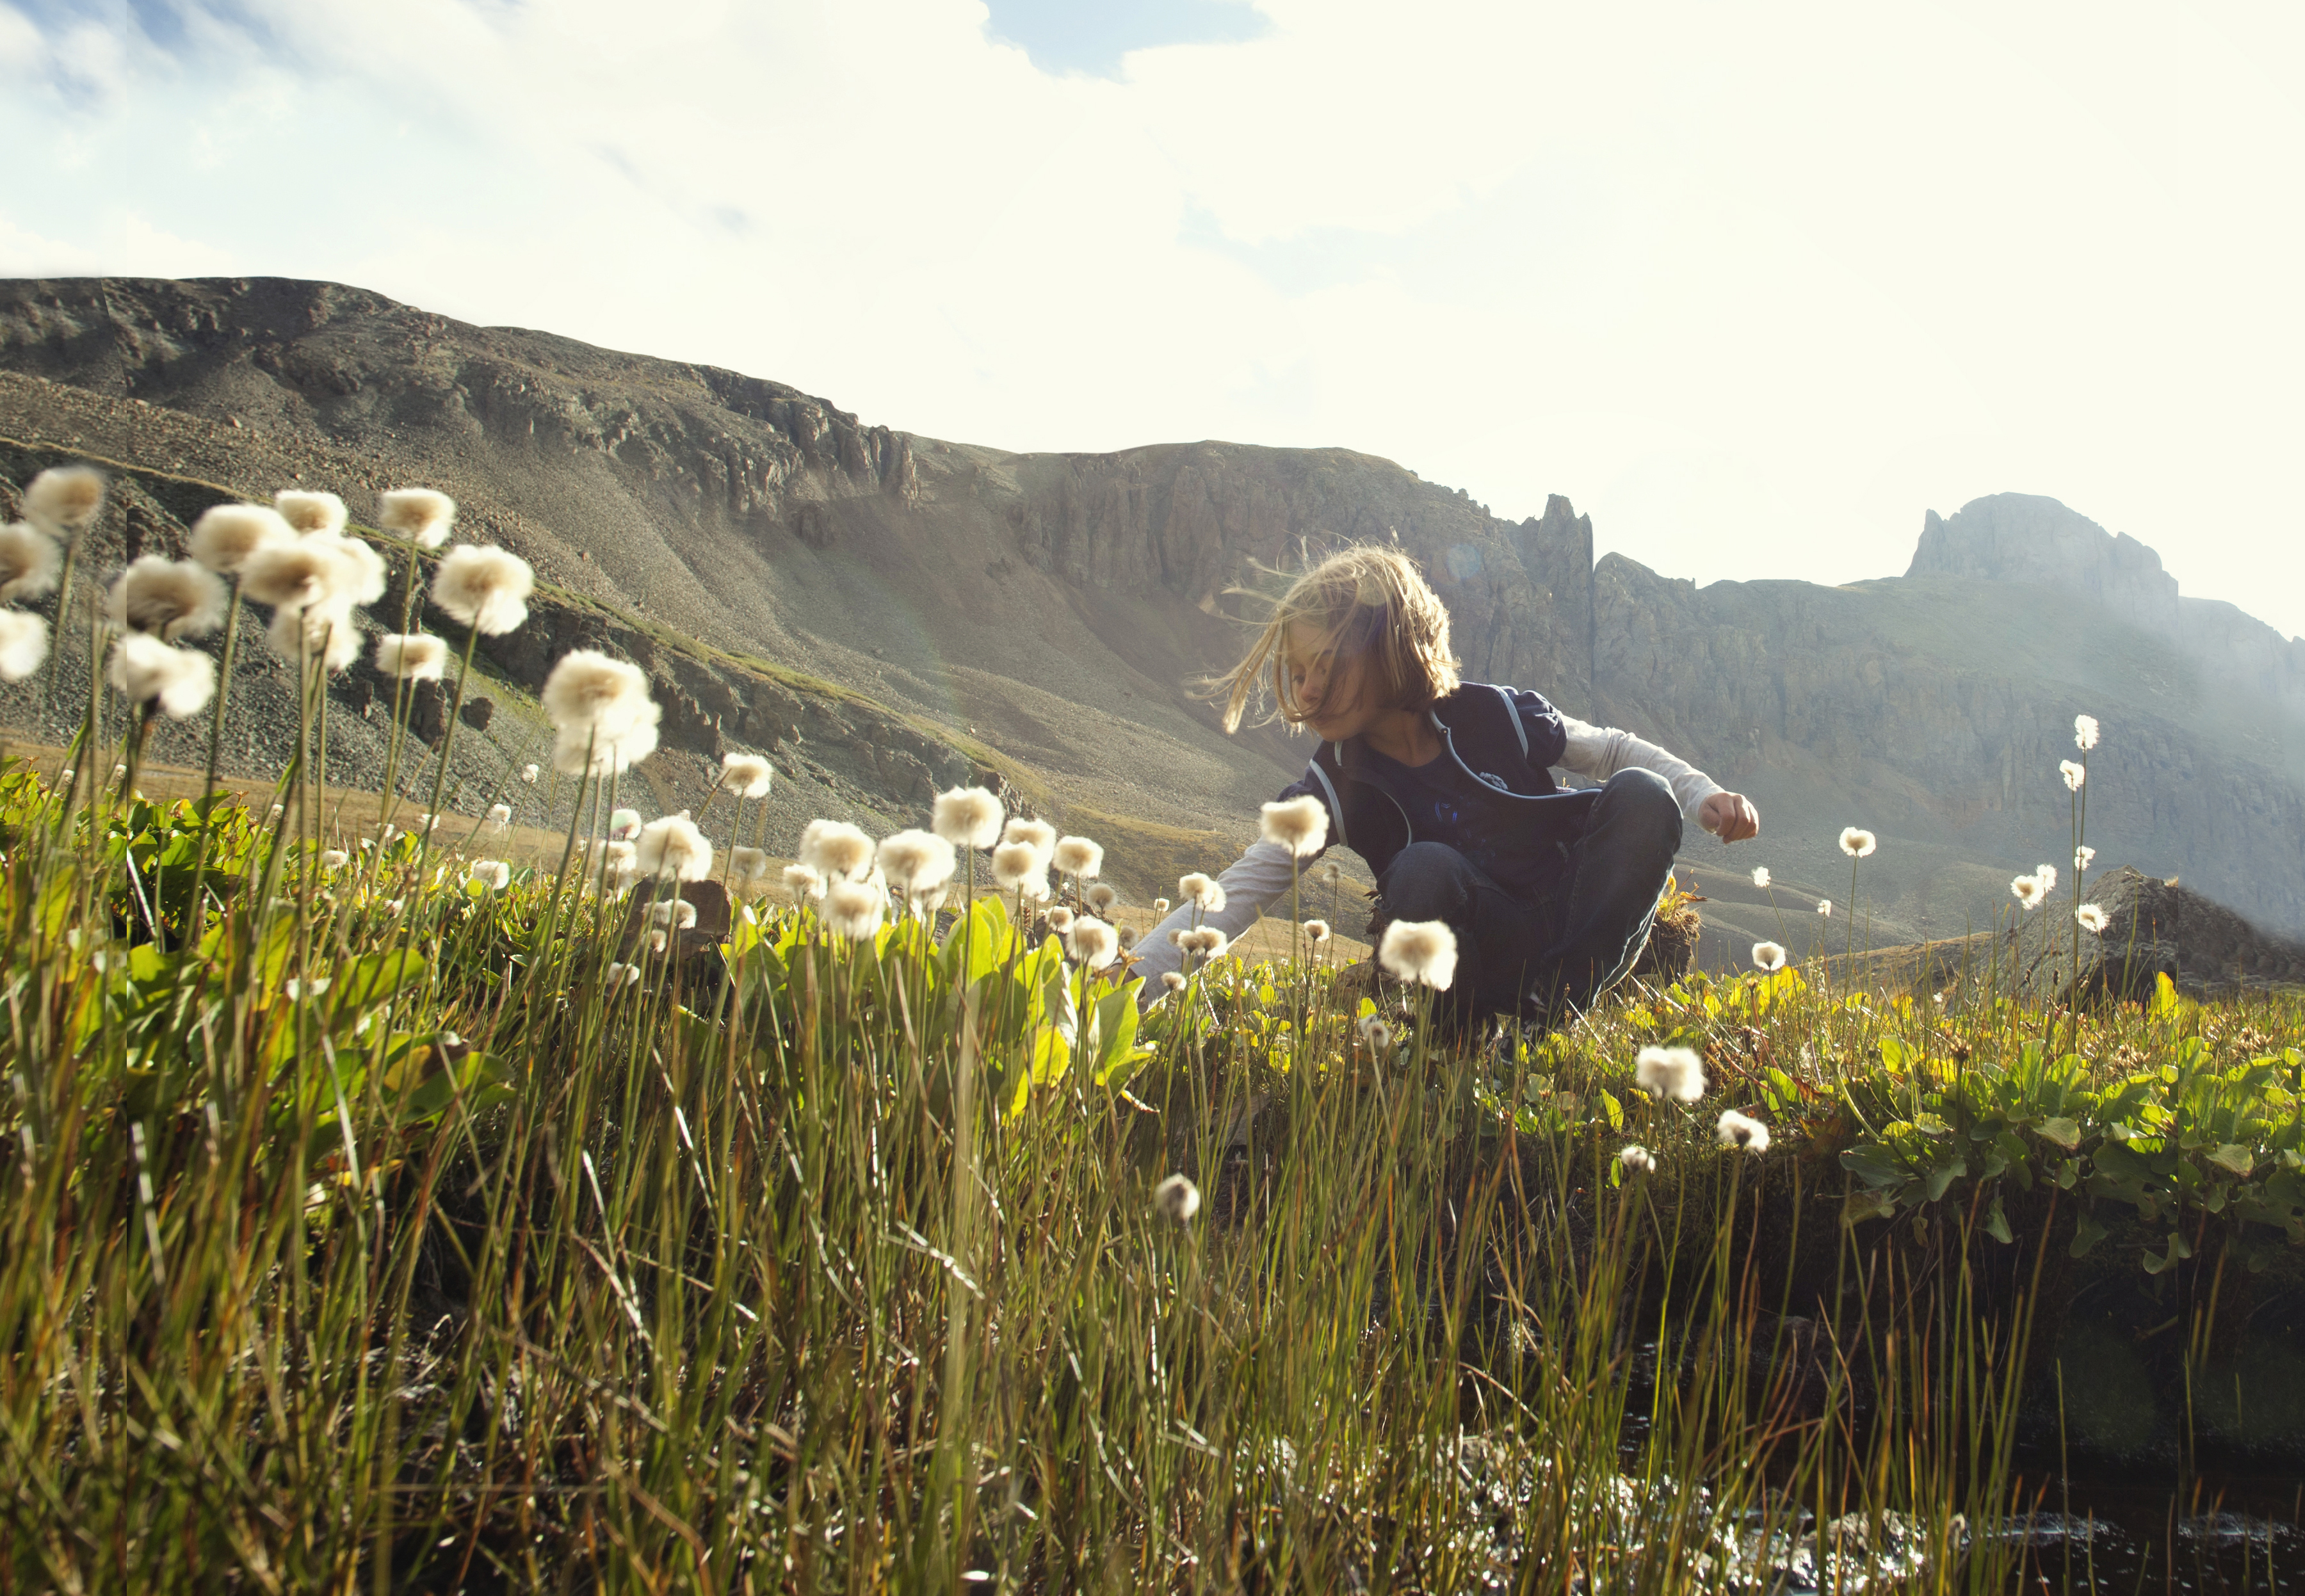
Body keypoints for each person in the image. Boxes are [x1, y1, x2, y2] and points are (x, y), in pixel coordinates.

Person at [1135, 545, 1759, 1028]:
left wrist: (1701, 794)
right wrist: (1125, 978)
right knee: (1422, 869)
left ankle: (1553, 1012)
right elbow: (1240, 891)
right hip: (1478, 955)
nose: (1308, 691)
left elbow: (1615, 750)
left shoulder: (1498, 713)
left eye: (1327, 664)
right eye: (1297, 673)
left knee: (1645, 795)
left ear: (1392, 646)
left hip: (1576, 916)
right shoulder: (1331, 786)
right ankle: (1466, 1034)